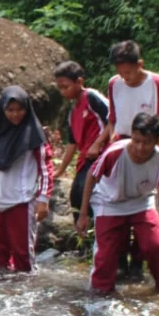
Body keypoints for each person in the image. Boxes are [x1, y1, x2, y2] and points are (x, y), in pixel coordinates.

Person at [77, 113, 159, 294]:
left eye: (146, 142)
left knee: (156, 246)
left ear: (157, 141)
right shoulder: (115, 153)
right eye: (136, 140)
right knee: (105, 258)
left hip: (141, 202)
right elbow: (92, 178)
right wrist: (83, 215)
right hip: (109, 202)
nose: (139, 148)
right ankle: (99, 296)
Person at [0, 87, 54, 272]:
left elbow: (46, 169)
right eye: (10, 110)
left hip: (22, 201)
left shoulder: (35, 136)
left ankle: (26, 295)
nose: (15, 114)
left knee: (23, 255)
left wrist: (43, 199)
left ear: (27, 109)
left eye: (20, 109)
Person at [90, 40, 159, 150]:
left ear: (140, 64)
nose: (124, 77)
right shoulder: (114, 83)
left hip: (148, 142)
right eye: (120, 73)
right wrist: (112, 136)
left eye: (128, 72)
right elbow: (112, 117)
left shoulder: (156, 83)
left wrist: (158, 144)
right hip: (122, 141)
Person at [52, 61, 109, 228]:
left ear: (79, 82)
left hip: (101, 155)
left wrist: (98, 143)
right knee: (75, 196)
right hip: (85, 159)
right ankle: (84, 240)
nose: (63, 92)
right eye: (60, 88)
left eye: (66, 87)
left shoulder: (91, 97)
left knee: (87, 192)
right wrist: (60, 170)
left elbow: (113, 119)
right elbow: (72, 143)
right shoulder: (72, 111)